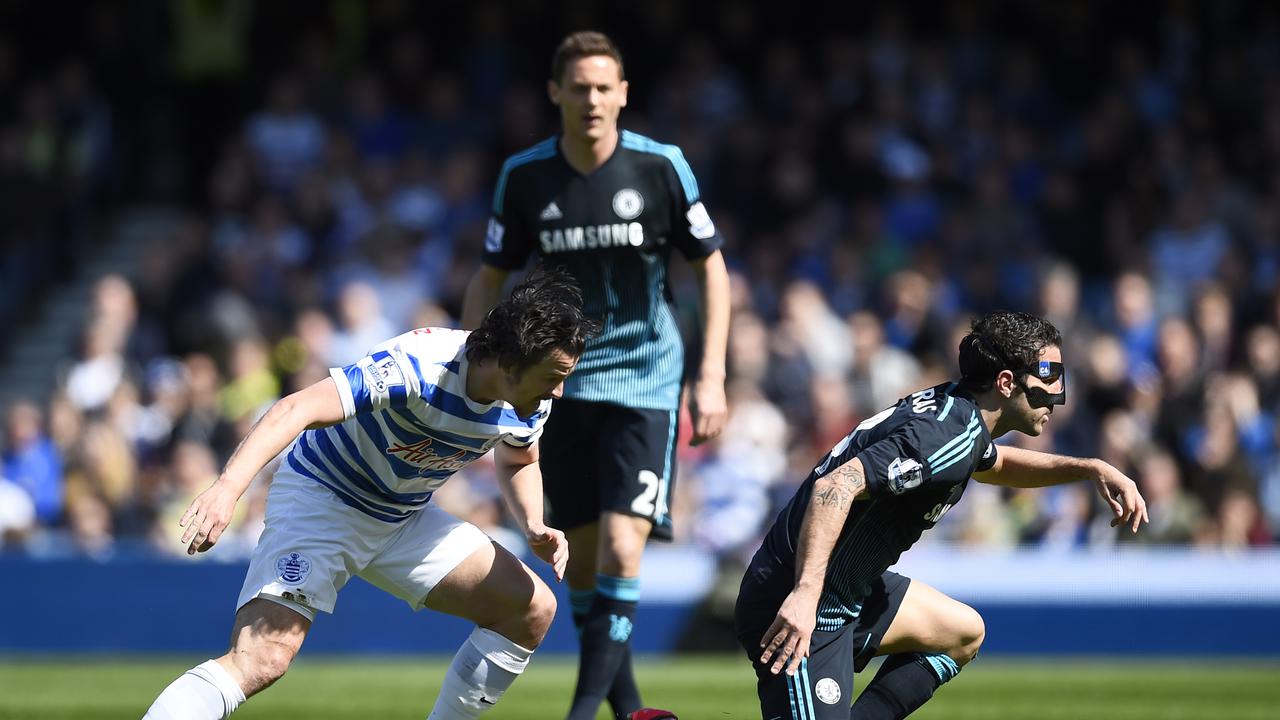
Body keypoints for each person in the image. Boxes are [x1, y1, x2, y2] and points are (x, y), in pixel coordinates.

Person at [143, 268, 596, 720]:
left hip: (402, 517)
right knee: (263, 658)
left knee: (531, 609)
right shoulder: (420, 364)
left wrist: (533, 523)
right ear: (511, 362)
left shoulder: (530, 401)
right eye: (552, 375)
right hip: (324, 498)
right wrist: (228, 489)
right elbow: (296, 408)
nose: (558, 389)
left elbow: (520, 459)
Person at [461, 30, 731, 720]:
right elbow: (489, 277)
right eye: (578, 87)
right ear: (556, 93)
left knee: (620, 543)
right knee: (579, 564)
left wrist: (712, 374)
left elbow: (711, 268)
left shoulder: (661, 167)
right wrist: (472, 365)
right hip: (561, 384)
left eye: (603, 87)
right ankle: (630, 707)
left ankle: (582, 715)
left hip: (646, 375)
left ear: (623, 95)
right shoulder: (525, 176)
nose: (591, 99)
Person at [734, 311, 1149, 719]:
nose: (1057, 397)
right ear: (1006, 383)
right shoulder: (945, 436)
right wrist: (804, 596)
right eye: (1048, 379)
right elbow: (834, 487)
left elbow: (993, 462)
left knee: (962, 633)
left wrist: (1090, 467)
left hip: (846, 592)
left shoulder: (959, 416)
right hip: (800, 600)